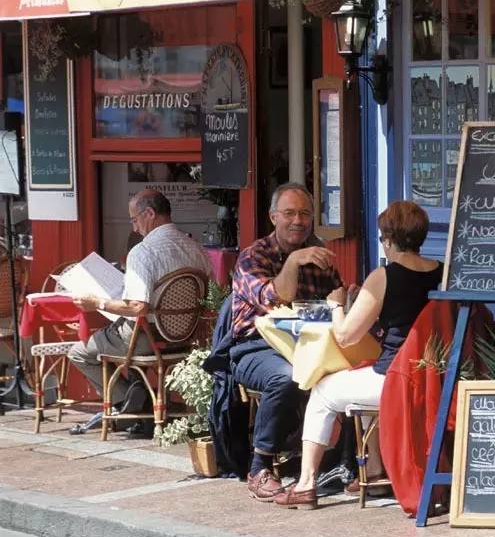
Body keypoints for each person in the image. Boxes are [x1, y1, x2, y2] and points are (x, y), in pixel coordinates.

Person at [275, 201, 442, 509]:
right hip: (433, 377)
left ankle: (306, 483)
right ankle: (375, 471)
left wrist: (337, 303)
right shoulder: (442, 272)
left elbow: (345, 336)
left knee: (323, 390)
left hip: (396, 379)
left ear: (389, 239)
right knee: (357, 382)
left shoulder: (385, 276)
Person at [68, 190, 213, 436]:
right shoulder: (195, 247)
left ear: (149, 213)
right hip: (185, 338)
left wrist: (98, 304)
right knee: (117, 339)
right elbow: (210, 295)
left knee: (79, 353)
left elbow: (137, 307)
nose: (134, 228)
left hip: (147, 338)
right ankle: (139, 397)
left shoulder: (142, 252)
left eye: (134, 219)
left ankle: (133, 401)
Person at [230, 183, 343, 502]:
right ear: (273, 217)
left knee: (349, 373)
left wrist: (345, 296)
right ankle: (259, 467)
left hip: (309, 345)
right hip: (255, 347)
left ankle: (344, 463)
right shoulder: (252, 257)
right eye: (290, 213)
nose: (298, 221)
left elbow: (337, 295)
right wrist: (294, 262)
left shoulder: (319, 254)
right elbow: (276, 299)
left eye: (305, 214)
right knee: (287, 375)